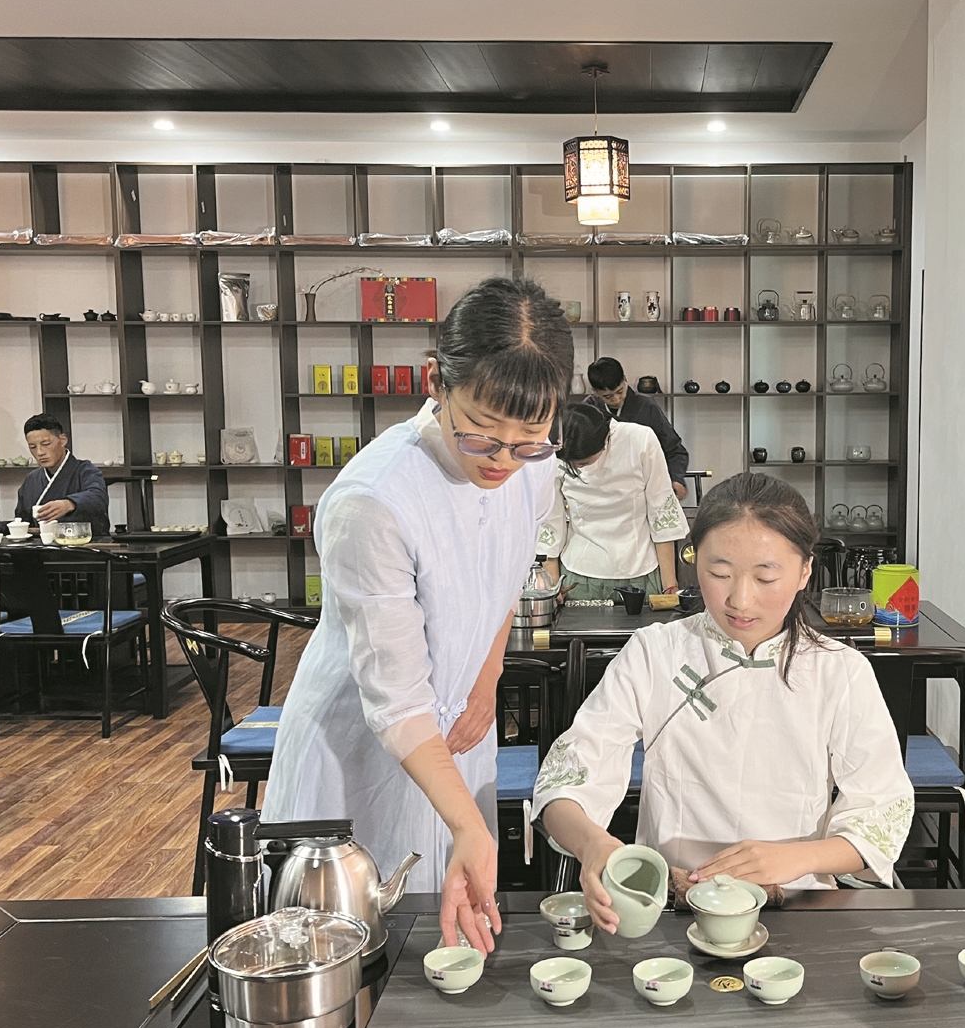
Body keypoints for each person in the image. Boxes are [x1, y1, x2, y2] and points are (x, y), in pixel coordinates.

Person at [262, 275, 573, 954]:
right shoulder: (375, 501)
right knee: (353, 940)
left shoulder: (533, 467)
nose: (505, 459)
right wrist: (469, 824)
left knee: (446, 940)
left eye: (530, 437)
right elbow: (398, 699)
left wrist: (488, 676)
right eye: (481, 435)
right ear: (435, 381)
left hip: (458, 725)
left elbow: (504, 573)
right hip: (365, 739)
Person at [533, 473, 914, 933]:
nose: (740, 600)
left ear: (804, 572)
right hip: (671, 905)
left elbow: (881, 810)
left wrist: (794, 859)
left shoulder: (840, 671)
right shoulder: (655, 653)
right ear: (695, 563)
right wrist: (594, 845)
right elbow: (568, 778)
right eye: (719, 574)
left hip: (795, 904)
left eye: (766, 576)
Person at [538, 401, 686, 602]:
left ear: (606, 439)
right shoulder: (553, 447)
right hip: (579, 576)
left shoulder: (639, 439)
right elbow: (550, 520)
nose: (576, 467)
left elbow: (661, 510)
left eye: (583, 463)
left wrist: (670, 586)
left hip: (639, 571)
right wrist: (552, 586)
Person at [0, 414, 108, 532]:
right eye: (32, 447)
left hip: (84, 550)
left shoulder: (85, 470)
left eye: (46, 444)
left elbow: (98, 497)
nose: (39, 452)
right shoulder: (32, 479)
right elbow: (22, 524)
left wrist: (68, 503)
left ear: (62, 440)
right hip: (41, 550)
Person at [586, 356, 689, 499]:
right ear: (595, 391)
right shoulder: (589, 410)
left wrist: (676, 478)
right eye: (607, 396)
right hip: (601, 490)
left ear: (625, 379)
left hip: (643, 489)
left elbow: (675, 450)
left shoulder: (646, 406)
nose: (616, 400)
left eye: (620, 391)